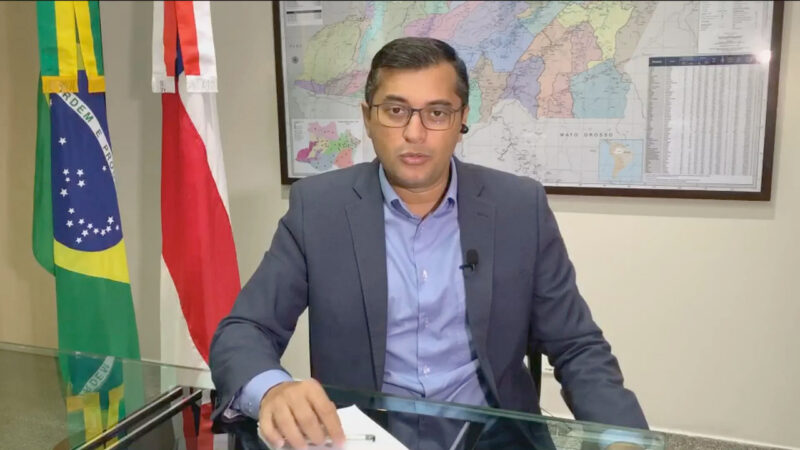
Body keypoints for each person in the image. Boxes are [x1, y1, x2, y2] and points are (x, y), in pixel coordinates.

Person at [210, 37, 647, 449]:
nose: (415, 133)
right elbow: (245, 329)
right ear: (367, 118)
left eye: (437, 113)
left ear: (461, 120)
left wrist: (621, 436)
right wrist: (272, 389)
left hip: (494, 438)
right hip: (365, 437)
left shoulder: (518, 207)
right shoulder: (319, 209)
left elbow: (576, 345)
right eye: (395, 110)